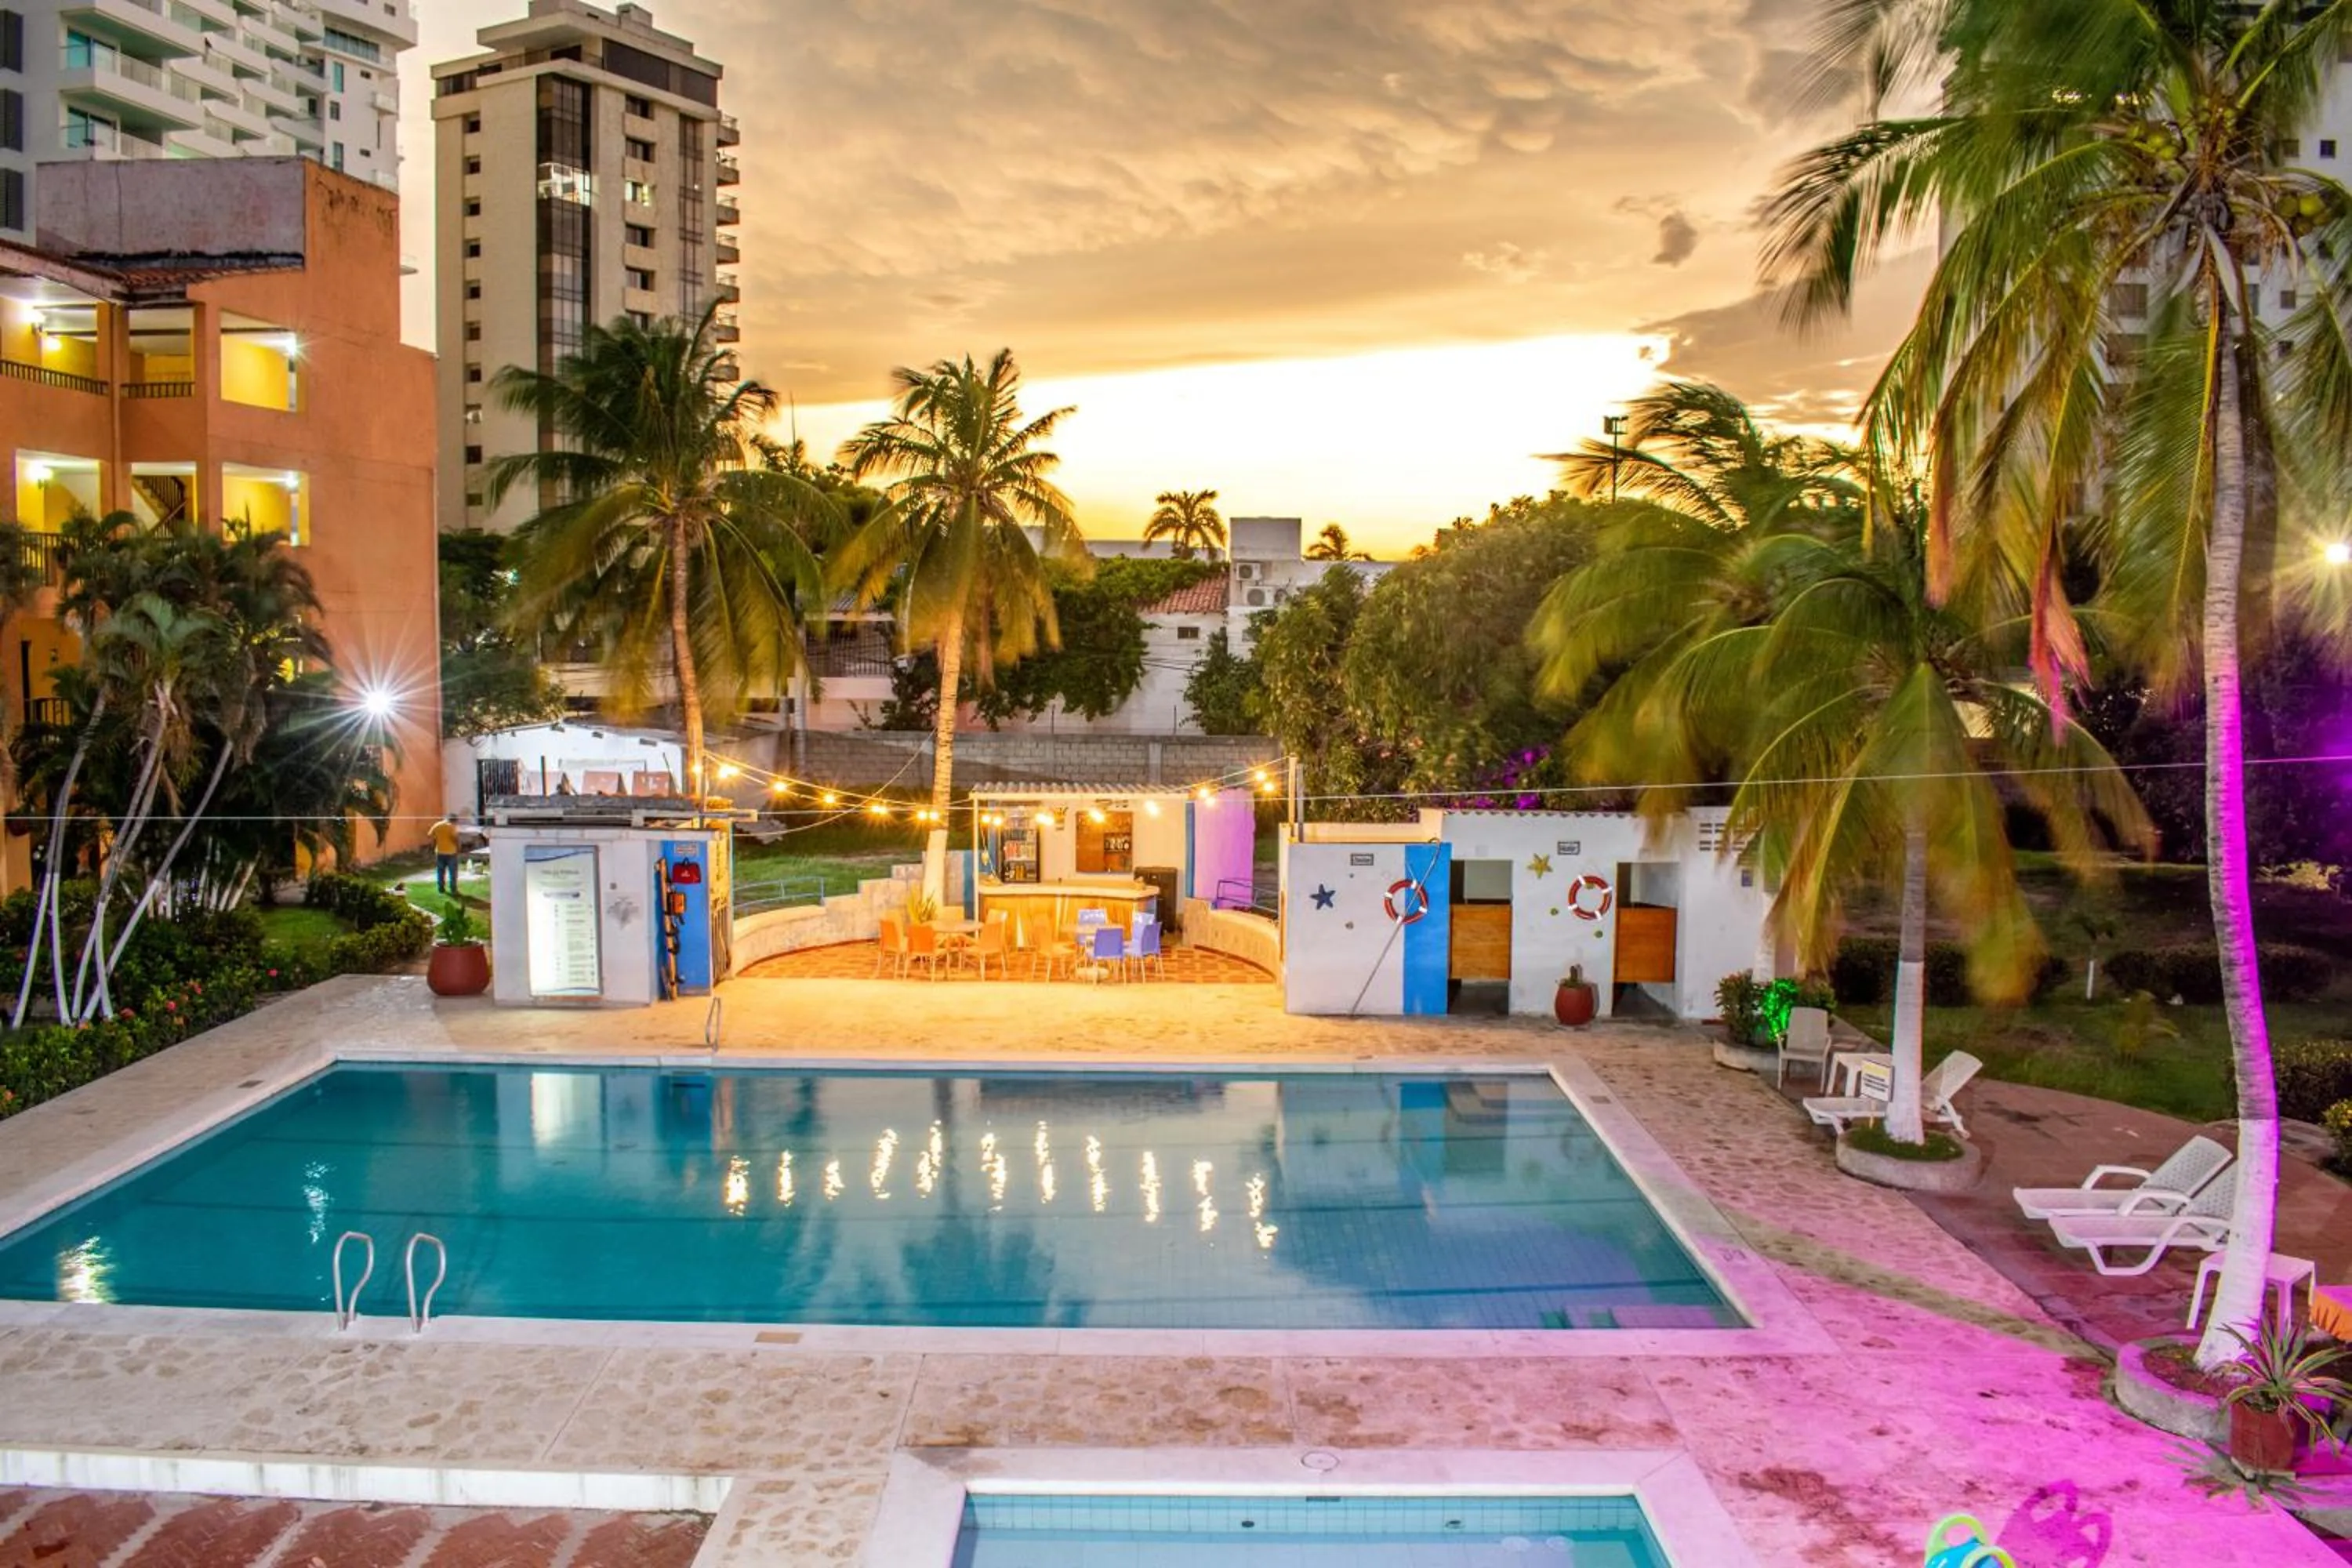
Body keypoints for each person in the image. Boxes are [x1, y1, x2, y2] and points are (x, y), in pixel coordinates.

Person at [430, 815, 463, 898]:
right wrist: (459, 847)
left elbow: (431, 836)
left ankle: (441, 889)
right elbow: (455, 839)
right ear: (454, 821)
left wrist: (434, 846)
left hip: (439, 852)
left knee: (440, 871)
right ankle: (453, 889)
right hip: (451, 852)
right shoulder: (451, 827)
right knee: (453, 872)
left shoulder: (437, 825)